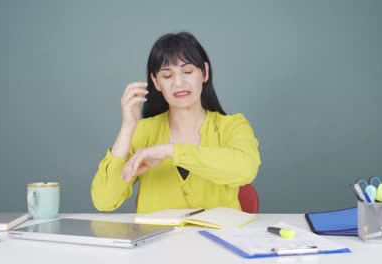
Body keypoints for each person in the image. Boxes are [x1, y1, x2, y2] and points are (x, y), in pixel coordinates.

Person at [91, 32, 261, 213]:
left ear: (204, 73)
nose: (178, 83)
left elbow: (246, 170)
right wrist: (128, 127)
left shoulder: (233, 125)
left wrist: (170, 151)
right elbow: (104, 200)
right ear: (156, 82)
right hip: (157, 240)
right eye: (167, 75)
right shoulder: (144, 131)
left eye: (187, 72)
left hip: (216, 239)